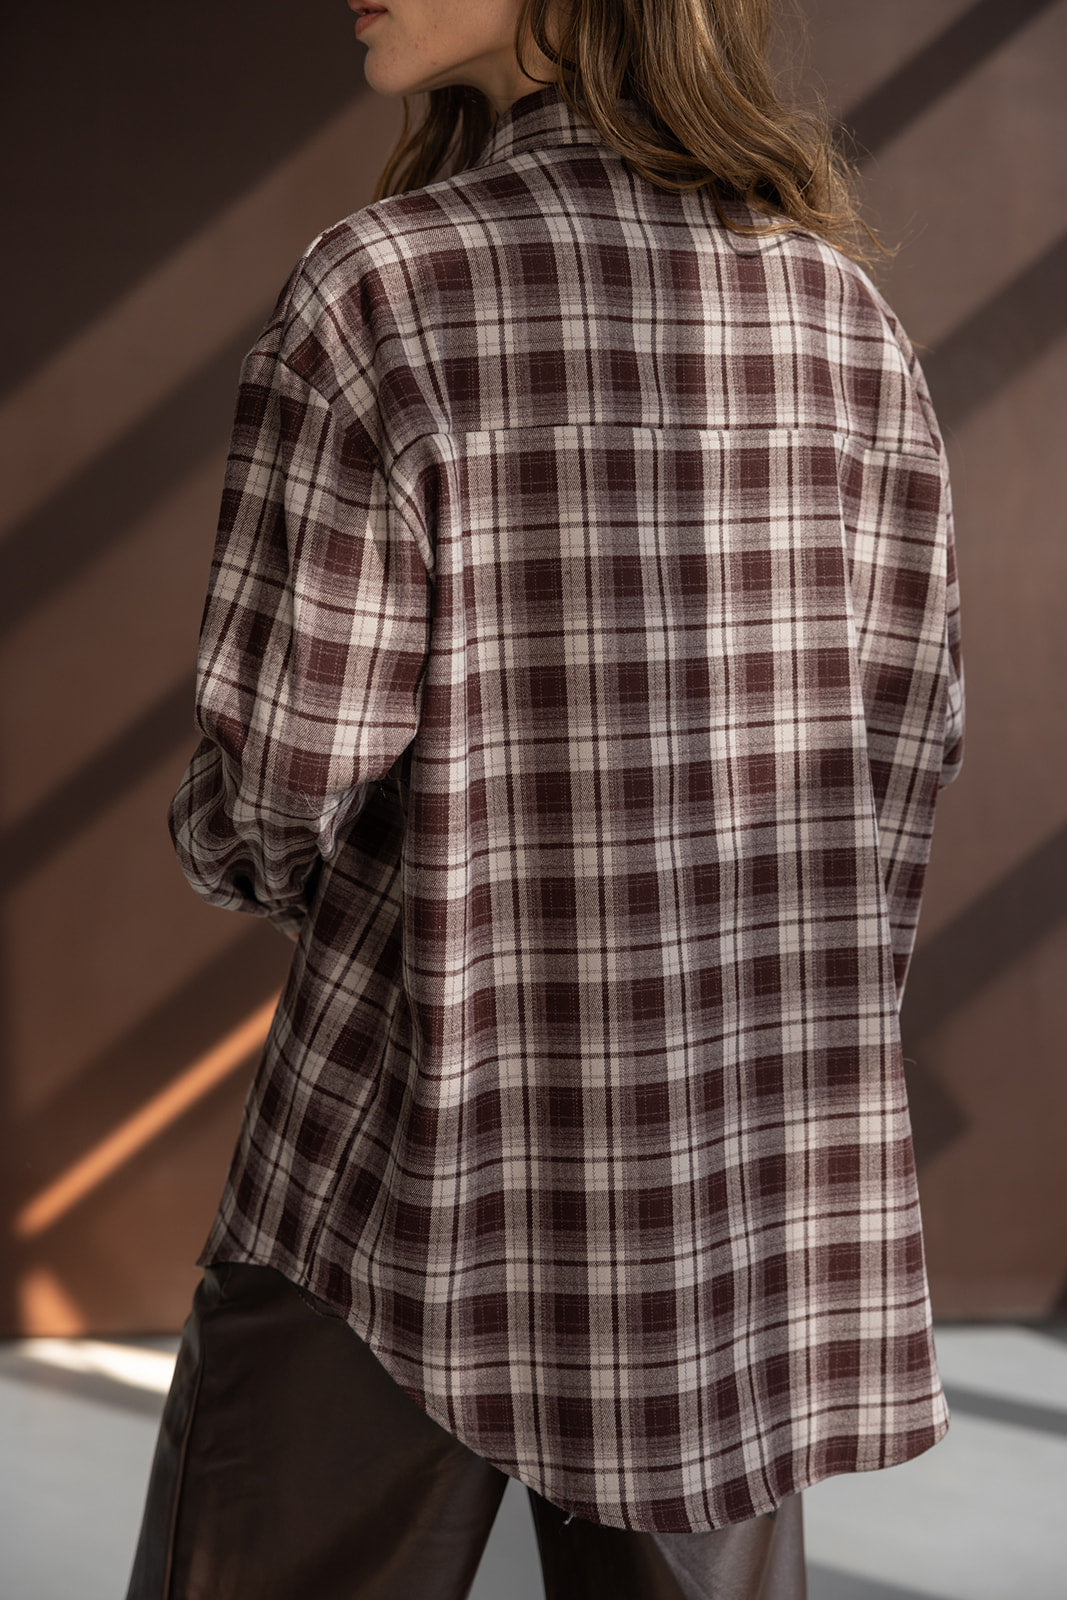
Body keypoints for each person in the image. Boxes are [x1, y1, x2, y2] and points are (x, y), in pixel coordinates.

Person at [125, 0, 965, 1595]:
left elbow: (287, 775)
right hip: (724, 1186)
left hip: (405, 1150)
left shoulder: (383, 288)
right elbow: (901, 751)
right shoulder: (837, 314)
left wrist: (247, 853)